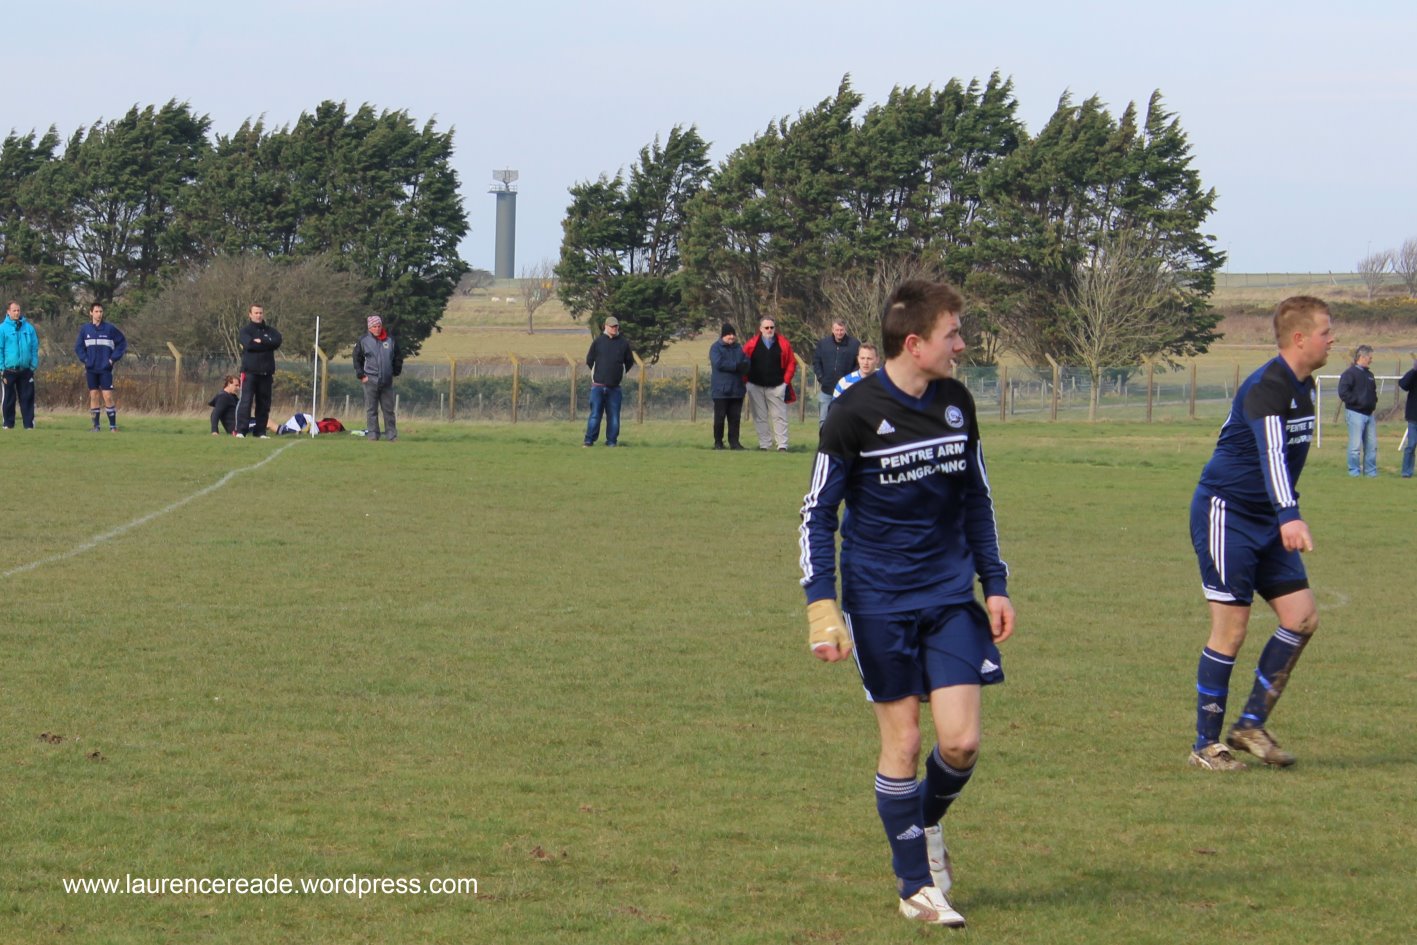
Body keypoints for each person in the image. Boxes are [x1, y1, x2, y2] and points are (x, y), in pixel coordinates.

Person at [799, 281, 1014, 928]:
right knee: (905, 739)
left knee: (962, 742)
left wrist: (994, 582)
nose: (962, 345)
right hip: (879, 601)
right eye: (953, 334)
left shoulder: (955, 402)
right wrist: (821, 604)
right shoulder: (852, 413)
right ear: (914, 343)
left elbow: (976, 497)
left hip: (948, 594)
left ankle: (920, 823)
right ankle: (915, 886)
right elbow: (817, 513)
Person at [1187, 295, 1334, 772]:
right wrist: (1290, 513)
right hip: (1227, 515)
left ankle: (1250, 725)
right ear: (1300, 338)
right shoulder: (1267, 387)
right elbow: (1272, 454)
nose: (1332, 339)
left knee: (1302, 617)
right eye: (1325, 332)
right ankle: (1206, 746)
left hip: (1267, 518)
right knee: (1231, 630)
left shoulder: (1304, 386)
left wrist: (1281, 514)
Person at [742, 318, 796, 451]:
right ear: (760, 329)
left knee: (779, 416)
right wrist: (746, 382)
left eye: (772, 327)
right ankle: (764, 445)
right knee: (760, 417)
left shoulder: (783, 343)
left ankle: (782, 445)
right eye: (766, 328)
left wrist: (785, 383)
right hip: (755, 385)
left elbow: (791, 363)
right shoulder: (751, 344)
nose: (769, 330)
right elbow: (743, 363)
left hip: (777, 386)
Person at [74, 302, 128, 432]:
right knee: (93, 395)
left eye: (101, 312)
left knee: (107, 396)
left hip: (105, 369)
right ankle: (96, 427)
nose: (99, 314)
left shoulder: (110, 329)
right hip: (91, 368)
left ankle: (113, 427)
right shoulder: (85, 329)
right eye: (96, 311)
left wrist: (112, 359)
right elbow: (78, 347)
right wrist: (86, 360)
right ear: (91, 313)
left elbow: (122, 343)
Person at [583, 316, 635, 447]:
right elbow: (590, 360)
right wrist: (598, 374)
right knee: (595, 415)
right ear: (605, 327)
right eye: (612, 326)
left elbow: (629, 361)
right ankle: (589, 440)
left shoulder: (623, 343)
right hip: (598, 386)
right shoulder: (598, 342)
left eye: (616, 326)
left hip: (615, 388)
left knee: (614, 417)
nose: (614, 328)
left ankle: (612, 442)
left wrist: (619, 374)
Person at [234, 304, 282, 439]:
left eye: (260, 313)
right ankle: (241, 431)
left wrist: (261, 341)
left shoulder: (271, 331)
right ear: (250, 314)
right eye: (256, 313)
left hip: (266, 373)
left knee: (264, 404)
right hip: (249, 373)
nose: (259, 315)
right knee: (246, 402)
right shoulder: (245, 331)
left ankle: (260, 432)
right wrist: (267, 344)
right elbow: (249, 345)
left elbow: (277, 342)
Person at [353, 315, 403, 442]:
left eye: (379, 326)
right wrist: (361, 375)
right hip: (370, 380)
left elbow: (398, 357)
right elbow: (357, 359)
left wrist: (395, 372)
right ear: (369, 328)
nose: (377, 328)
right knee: (371, 409)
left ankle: (391, 435)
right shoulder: (363, 340)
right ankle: (373, 435)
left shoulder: (390, 340)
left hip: (387, 381)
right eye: (374, 326)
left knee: (388, 410)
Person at [1337, 344, 1378, 477]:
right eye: (1370, 357)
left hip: (1369, 414)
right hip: (1355, 414)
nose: (1371, 360)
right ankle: (1354, 472)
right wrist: (1358, 402)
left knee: (1372, 446)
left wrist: (1373, 402)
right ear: (1362, 357)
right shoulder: (1349, 374)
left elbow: (1373, 392)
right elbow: (1343, 393)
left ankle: (1371, 472)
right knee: (1355, 447)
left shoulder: (1370, 375)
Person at [1, 300, 40, 430]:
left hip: (26, 370)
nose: (17, 313)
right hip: (9, 370)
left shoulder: (29, 328)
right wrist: (1, 368)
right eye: (14, 310)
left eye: (18, 310)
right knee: (9, 398)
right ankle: (8, 424)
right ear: (8, 312)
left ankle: (29, 425)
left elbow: (34, 347)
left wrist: (33, 365)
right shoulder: (2, 329)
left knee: (27, 398)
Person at [708, 322, 748, 450]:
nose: (731, 337)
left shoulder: (739, 348)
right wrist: (736, 366)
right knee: (719, 419)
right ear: (723, 336)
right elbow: (718, 363)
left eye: (733, 334)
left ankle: (734, 443)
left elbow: (746, 361)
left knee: (735, 419)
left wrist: (744, 366)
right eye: (728, 334)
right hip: (721, 391)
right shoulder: (715, 348)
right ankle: (718, 443)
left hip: (737, 390)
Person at [812, 319, 860, 425]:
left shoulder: (854, 345)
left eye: (841, 330)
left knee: (844, 422)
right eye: (837, 330)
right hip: (826, 390)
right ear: (832, 330)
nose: (839, 332)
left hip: (846, 391)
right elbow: (816, 362)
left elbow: (858, 364)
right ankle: (824, 437)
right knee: (824, 421)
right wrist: (821, 377)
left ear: (845, 329)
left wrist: (850, 380)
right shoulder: (823, 344)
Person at [1399, 356, 1417, 478]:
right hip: (1413, 416)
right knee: (1411, 445)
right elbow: (1403, 384)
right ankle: (1406, 472)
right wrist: (1414, 370)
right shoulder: (1414, 375)